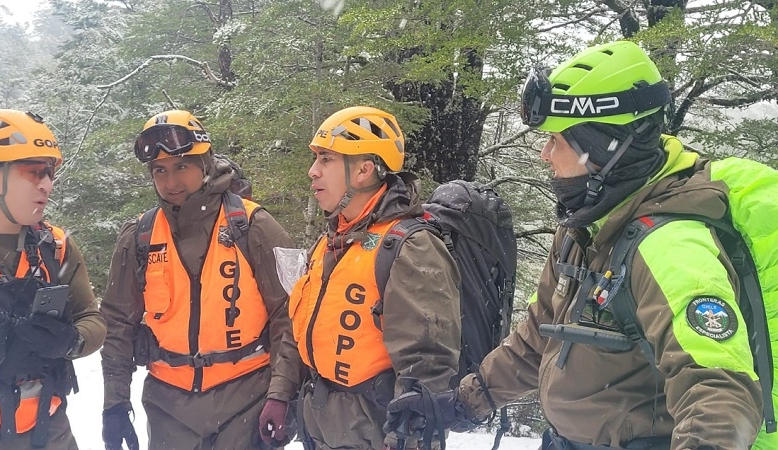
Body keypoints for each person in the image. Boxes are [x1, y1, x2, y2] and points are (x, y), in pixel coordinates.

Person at [386, 41, 765, 449]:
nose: (545, 154)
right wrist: (459, 404)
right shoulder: (585, 229)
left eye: (557, 140)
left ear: (602, 149)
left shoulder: (669, 246)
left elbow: (717, 392)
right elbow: (536, 339)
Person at [100, 110, 303, 450]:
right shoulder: (139, 236)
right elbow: (117, 324)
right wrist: (114, 404)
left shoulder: (254, 225)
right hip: (168, 408)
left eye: (182, 166)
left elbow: (292, 313)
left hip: (247, 398)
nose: (171, 182)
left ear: (205, 164)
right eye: (159, 171)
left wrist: (282, 393)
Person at [276, 106, 461, 450]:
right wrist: (281, 396)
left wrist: (406, 439)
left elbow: (428, 363)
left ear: (363, 170)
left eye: (326, 160)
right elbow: (303, 326)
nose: (312, 171)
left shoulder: (411, 246)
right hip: (323, 426)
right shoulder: (334, 238)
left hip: (375, 433)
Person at [0, 109, 107, 449]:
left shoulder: (55, 246)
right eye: (34, 172)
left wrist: (71, 342)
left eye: (49, 173)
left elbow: (91, 318)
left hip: (49, 429)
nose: (47, 185)